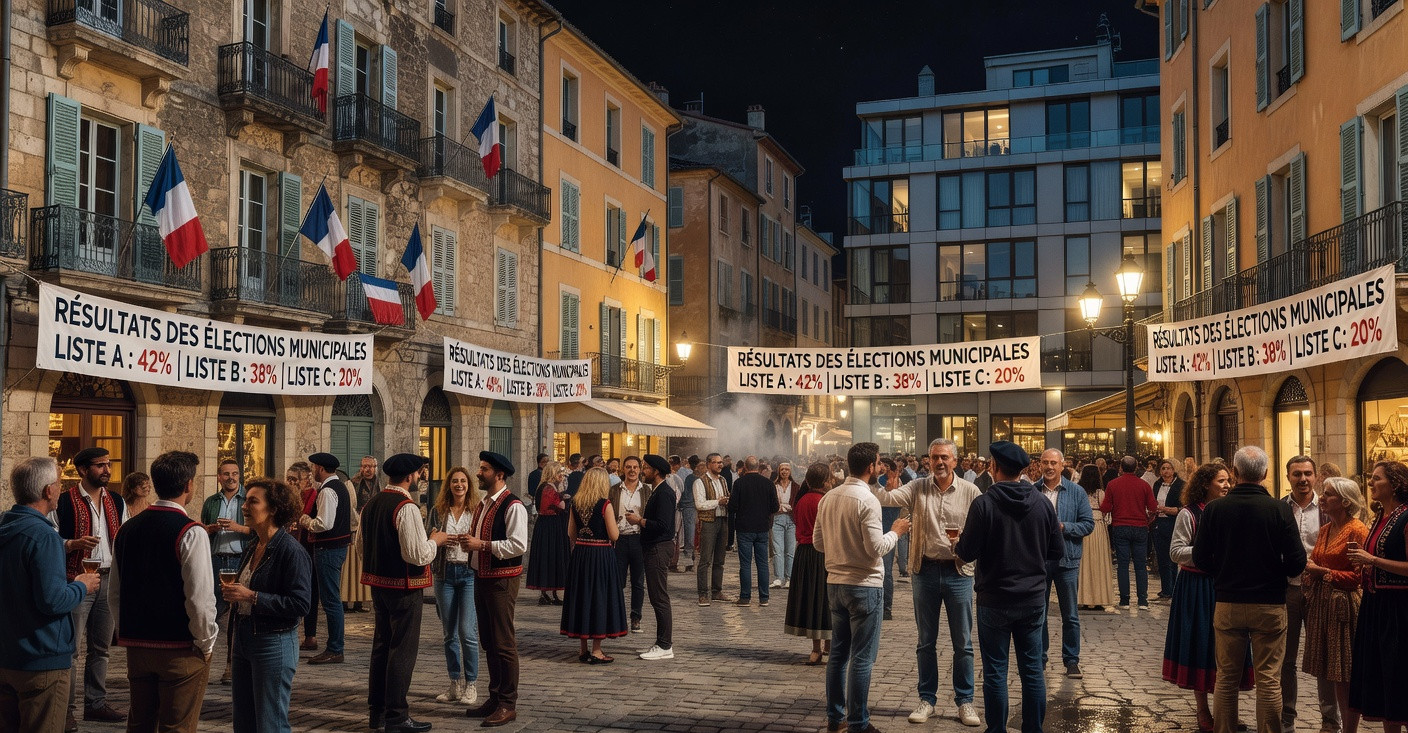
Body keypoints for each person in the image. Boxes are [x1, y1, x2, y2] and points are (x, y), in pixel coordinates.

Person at [1192, 446, 1307, 733]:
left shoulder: (1215, 509)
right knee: (1268, 679)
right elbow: (1297, 562)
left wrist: (1224, 570)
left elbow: (1201, 558)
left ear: (1235, 472)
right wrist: (1274, 570)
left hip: (1228, 600)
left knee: (1226, 677)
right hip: (1268, 602)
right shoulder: (1279, 509)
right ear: (1266, 474)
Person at [954, 442, 1062, 733]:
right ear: (1023, 470)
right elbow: (1057, 552)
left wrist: (957, 543)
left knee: (995, 671)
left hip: (994, 599)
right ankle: (1033, 729)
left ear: (993, 467)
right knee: (1032, 671)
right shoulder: (1042, 503)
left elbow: (966, 552)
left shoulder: (984, 504)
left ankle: (997, 729)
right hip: (1032, 599)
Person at [873, 438, 982, 727]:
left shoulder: (971, 491)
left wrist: (966, 545)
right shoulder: (918, 487)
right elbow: (887, 499)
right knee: (925, 641)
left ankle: (965, 701)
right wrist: (875, 479)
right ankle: (927, 699)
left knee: (963, 642)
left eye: (945, 457)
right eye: (935, 458)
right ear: (928, 461)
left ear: (955, 461)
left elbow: (982, 529)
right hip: (926, 571)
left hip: (958, 573)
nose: (940, 462)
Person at [110, 450, 219, 732]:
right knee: (177, 726)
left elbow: (115, 593)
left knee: (140, 723)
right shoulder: (191, 532)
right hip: (179, 647)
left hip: (137, 645)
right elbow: (199, 599)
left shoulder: (127, 529)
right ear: (189, 485)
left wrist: (128, 632)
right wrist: (206, 643)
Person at [0, 457, 101, 733]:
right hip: (41, 660)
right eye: (58, 483)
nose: (60, 488)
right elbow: (53, 600)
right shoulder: (42, 536)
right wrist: (82, 585)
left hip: (8, 656)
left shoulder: (5, 527)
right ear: (48, 490)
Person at [815, 442, 910, 733]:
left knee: (839, 655)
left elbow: (818, 543)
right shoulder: (867, 500)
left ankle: (836, 718)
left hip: (835, 583)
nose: (880, 467)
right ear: (870, 467)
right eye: (879, 463)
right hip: (864, 585)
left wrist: (840, 548)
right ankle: (858, 722)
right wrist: (896, 532)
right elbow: (876, 548)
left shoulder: (829, 497)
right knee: (861, 658)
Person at [1162, 463, 1252, 732]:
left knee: (1229, 651)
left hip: (1227, 585)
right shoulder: (1189, 515)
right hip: (1197, 587)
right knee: (1201, 645)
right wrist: (1209, 554)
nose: (1226, 485)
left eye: (1228, 481)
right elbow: (1176, 552)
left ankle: (1227, 712)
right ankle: (1203, 711)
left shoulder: (1233, 511)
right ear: (1205, 484)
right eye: (1221, 481)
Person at [361, 453, 446, 733]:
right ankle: (397, 715)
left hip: (379, 585)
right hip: (404, 588)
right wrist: (435, 540)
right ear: (411, 476)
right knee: (402, 651)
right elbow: (417, 555)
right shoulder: (405, 506)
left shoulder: (372, 503)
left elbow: (361, 546)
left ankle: (378, 712)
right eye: (420, 473)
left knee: (381, 647)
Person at [221, 477, 312, 733]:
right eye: (245, 500)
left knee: (271, 723)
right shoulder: (253, 546)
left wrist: (252, 596)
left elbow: (300, 603)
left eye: (253, 501)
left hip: (273, 642)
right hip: (244, 638)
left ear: (273, 509)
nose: (244, 507)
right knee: (244, 721)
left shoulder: (290, 551)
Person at [51, 446, 127, 728]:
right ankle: (66, 709)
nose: (107, 470)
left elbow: (125, 537)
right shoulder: (63, 502)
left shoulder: (117, 501)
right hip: (77, 580)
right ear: (83, 470)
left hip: (108, 579)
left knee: (101, 648)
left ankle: (95, 704)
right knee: (70, 650)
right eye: (100, 465)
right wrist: (72, 544)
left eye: (108, 464)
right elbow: (49, 538)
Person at [463, 452, 528, 728]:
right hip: (482, 576)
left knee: (503, 642)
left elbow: (518, 545)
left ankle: (508, 703)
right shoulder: (484, 504)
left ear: (499, 475)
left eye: (484, 469)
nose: (479, 473)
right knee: (488, 640)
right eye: (480, 468)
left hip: (502, 579)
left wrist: (483, 546)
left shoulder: (513, 506)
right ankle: (495, 696)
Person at [1302, 476, 1369, 733]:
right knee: (1329, 669)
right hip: (1322, 605)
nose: (1322, 498)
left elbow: (1359, 576)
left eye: (1328, 494)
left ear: (1344, 501)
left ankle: (1349, 728)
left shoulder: (1357, 530)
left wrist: (1324, 572)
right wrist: (1312, 572)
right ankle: (1333, 723)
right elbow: (1317, 562)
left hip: (1344, 607)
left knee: (1344, 673)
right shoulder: (1326, 530)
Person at [1346, 461, 1408, 731]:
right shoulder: (1380, 517)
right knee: (1382, 681)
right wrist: (1366, 565)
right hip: (1375, 606)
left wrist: (1371, 559)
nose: (1370, 483)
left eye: (1377, 478)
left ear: (1395, 484)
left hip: (1399, 610)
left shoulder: (1406, 518)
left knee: (1398, 678)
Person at [1280, 456, 1339, 733]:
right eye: (1297, 474)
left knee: (1323, 658)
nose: (1303, 479)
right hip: (1288, 590)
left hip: (1320, 592)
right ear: (1288, 477)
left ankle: (1329, 720)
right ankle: (1286, 716)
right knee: (1286, 659)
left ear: (1315, 476)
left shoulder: (1327, 510)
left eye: (1307, 474)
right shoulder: (1279, 508)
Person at [426, 466, 481, 706]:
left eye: (463, 481)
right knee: (449, 634)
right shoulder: (438, 511)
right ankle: (454, 683)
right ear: (449, 485)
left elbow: (481, 538)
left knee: (467, 632)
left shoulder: (476, 511)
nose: (459, 485)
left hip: (468, 573)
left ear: (469, 485)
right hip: (445, 573)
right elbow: (428, 536)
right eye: (455, 481)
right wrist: (438, 539)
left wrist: (472, 541)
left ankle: (471, 683)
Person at [560, 468, 627, 663]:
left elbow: (571, 533)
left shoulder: (576, 503)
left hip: (581, 554)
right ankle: (597, 650)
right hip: (600, 555)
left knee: (581, 597)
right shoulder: (605, 505)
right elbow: (614, 535)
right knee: (598, 597)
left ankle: (583, 649)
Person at [1037, 449, 1095, 679]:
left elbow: (1088, 524)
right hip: (1040, 561)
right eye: (1045, 463)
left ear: (1062, 465)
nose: (1049, 467)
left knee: (1070, 614)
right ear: (1039, 465)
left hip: (1067, 559)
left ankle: (1071, 660)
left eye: (1054, 463)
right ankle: (1039, 657)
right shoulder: (1032, 491)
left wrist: (1064, 528)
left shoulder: (1076, 492)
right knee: (1038, 612)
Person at [299, 453, 352, 665]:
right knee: (331, 599)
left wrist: (306, 521)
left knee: (331, 600)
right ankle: (335, 646)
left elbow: (324, 523)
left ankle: (335, 648)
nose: (312, 471)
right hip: (335, 548)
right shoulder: (340, 487)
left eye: (314, 467)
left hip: (328, 549)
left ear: (320, 468)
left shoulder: (328, 491)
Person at [202, 459, 249, 685]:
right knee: (211, 612)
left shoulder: (249, 499)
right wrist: (210, 529)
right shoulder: (211, 502)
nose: (231, 477)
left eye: (235, 473)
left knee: (238, 615)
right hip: (216, 562)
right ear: (219, 477)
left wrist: (238, 528)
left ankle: (232, 666)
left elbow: (260, 529)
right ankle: (203, 665)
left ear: (240, 476)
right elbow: (201, 530)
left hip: (241, 561)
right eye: (226, 474)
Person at [627, 455, 677, 660]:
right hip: (652, 547)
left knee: (659, 597)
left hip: (659, 548)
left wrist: (640, 520)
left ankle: (664, 644)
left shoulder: (664, 492)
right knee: (657, 596)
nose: (642, 471)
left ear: (656, 471)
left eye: (646, 468)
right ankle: (662, 643)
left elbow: (664, 525)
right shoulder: (658, 491)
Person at [786, 463, 834, 665]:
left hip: (804, 554)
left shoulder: (802, 500)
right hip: (823, 553)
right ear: (824, 482)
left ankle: (815, 649)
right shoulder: (824, 501)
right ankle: (828, 648)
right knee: (825, 600)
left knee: (812, 600)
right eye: (830, 479)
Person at [1101, 456, 1158, 609]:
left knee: (1123, 565)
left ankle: (1125, 600)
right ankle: (1142, 600)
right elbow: (1153, 507)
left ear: (1121, 468)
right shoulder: (1144, 485)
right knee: (1140, 565)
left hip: (1120, 526)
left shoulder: (1113, 484)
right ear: (1136, 468)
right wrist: (1148, 519)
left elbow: (1105, 507)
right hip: (1140, 527)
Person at [729, 456, 780, 607]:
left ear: (745, 466)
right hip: (762, 528)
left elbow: (732, 507)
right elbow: (775, 507)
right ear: (758, 467)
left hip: (744, 528)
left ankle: (745, 597)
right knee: (762, 564)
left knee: (745, 564)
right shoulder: (768, 483)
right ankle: (764, 598)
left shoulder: (739, 483)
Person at [612, 457, 649, 632]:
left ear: (640, 469)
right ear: (623, 469)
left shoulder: (646, 491)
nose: (632, 470)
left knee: (638, 582)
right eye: (628, 467)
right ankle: (616, 617)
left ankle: (636, 617)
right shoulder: (614, 490)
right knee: (617, 581)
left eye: (635, 467)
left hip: (638, 539)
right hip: (619, 539)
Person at [287, 461, 320, 652]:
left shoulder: (314, 498)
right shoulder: (287, 498)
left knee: (310, 592)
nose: (290, 484)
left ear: (306, 481)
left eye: (294, 480)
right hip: (290, 547)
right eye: (288, 479)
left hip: (307, 549)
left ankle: (310, 635)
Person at [526, 462, 568, 606]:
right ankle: (549, 590)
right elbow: (560, 506)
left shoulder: (545, 487)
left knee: (549, 556)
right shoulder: (548, 488)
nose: (562, 476)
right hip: (550, 526)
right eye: (560, 473)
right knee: (551, 556)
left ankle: (549, 591)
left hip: (548, 525)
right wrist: (563, 498)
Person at [1076, 466, 1116, 610]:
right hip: (1098, 528)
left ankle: (1084, 597)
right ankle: (1099, 598)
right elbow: (1107, 514)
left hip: (1083, 528)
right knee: (1099, 563)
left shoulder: (1078, 491)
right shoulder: (1100, 493)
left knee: (1084, 563)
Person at [695, 453, 732, 606]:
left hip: (723, 520)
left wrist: (728, 501)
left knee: (720, 559)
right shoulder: (700, 482)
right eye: (716, 463)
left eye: (720, 462)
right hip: (709, 521)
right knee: (705, 559)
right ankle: (703, 593)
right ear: (709, 464)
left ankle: (717, 591)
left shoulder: (722, 480)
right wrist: (718, 502)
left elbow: (726, 497)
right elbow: (700, 504)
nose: (719, 465)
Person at [345, 456, 380, 615]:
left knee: (362, 566)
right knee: (351, 566)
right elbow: (351, 507)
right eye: (365, 466)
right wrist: (360, 520)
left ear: (375, 468)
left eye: (371, 466)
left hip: (371, 530)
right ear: (360, 468)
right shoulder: (352, 485)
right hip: (355, 529)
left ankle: (359, 601)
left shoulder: (380, 484)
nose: (368, 469)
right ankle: (346, 601)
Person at [1152, 459, 1186, 602]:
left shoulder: (1181, 485)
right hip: (1158, 523)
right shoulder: (1157, 484)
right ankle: (1166, 588)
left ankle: (1173, 588)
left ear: (1174, 470)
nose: (1165, 471)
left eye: (1168, 468)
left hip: (1173, 523)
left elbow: (1184, 506)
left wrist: (1168, 510)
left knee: (1172, 558)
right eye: (1163, 468)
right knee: (1161, 557)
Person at [770, 463, 800, 590]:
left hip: (791, 519)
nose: (784, 471)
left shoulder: (796, 487)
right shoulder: (773, 486)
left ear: (790, 471)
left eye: (787, 469)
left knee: (790, 551)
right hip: (777, 518)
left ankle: (789, 578)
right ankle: (779, 578)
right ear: (778, 471)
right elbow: (771, 502)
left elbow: (797, 503)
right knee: (778, 550)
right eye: (782, 469)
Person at [673, 456, 699, 573]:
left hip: (691, 508)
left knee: (691, 534)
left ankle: (691, 560)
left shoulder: (690, 477)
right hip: (691, 508)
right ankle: (690, 560)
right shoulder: (691, 478)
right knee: (690, 534)